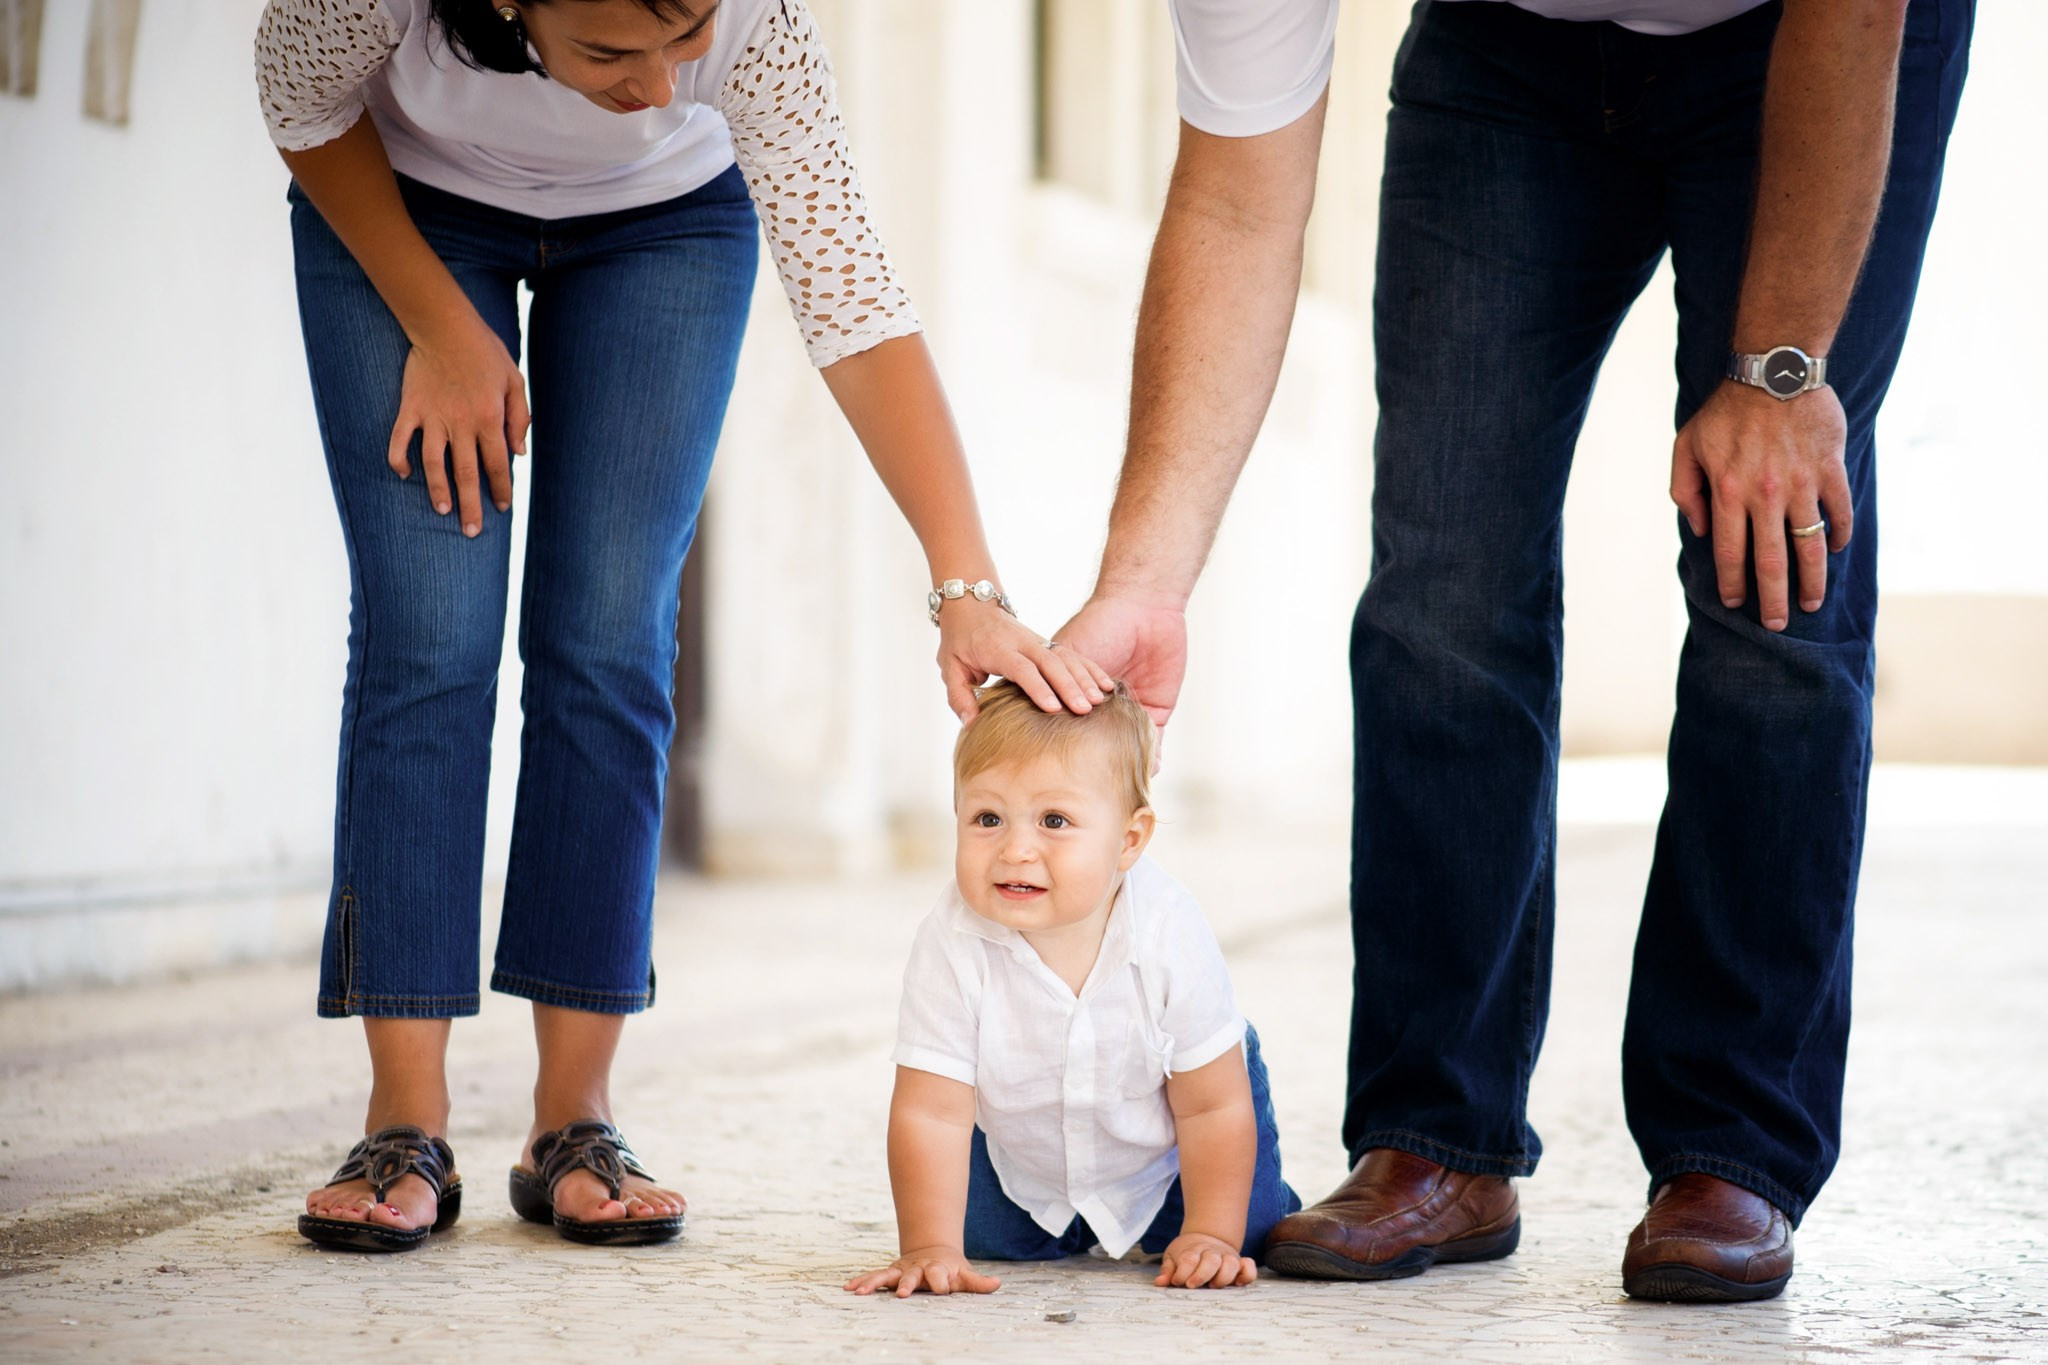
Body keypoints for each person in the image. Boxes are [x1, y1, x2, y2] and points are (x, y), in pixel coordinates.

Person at [1057, 0, 1972, 1302]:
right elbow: (1237, 204)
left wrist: (1779, 373)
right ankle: (1435, 1137)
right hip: (1505, 59)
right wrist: (1145, 579)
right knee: (1442, 588)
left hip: (1810, 37)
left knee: (1769, 585)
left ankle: (1734, 1152)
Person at [255, 0, 1113, 1253]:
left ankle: (574, 1122)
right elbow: (298, 99)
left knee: (608, 643)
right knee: (428, 638)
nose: (658, 85)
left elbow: (855, 300)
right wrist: (446, 328)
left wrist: (964, 584)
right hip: (405, 203)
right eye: (609, 52)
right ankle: (404, 1121)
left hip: (661, 233)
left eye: (684, 39)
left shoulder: (756, 29)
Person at [843, 681, 1299, 1296]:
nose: (1016, 849)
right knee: (978, 1242)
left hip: (1169, 1160)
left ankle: (1221, 1215)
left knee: (1246, 1237)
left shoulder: (1166, 928)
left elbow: (1210, 1105)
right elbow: (931, 1108)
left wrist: (1211, 1233)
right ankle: (1058, 1228)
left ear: (1129, 840)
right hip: (1025, 1165)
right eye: (987, 818)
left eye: (1054, 820)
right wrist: (929, 1247)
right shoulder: (953, 937)